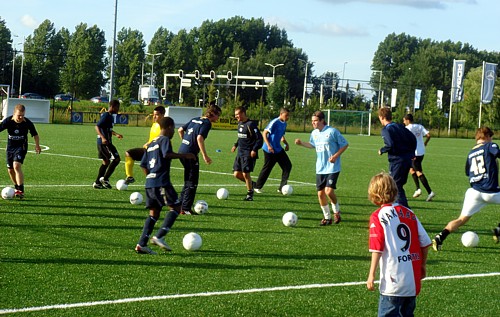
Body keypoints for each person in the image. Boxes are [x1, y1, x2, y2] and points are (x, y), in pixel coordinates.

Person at [366, 172, 431, 317]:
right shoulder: (409, 213)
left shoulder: (378, 216)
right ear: (395, 191)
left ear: (374, 194)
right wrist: (422, 265)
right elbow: (425, 243)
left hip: (393, 280)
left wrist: (371, 275)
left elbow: (376, 248)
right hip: (412, 281)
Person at [135, 117, 196, 254]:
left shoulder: (150, 143)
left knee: (154, 214)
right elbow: (167, 154)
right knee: (176, 207)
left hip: (150, 183)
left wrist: (151, 176)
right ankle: (160, 236)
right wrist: (186, 155)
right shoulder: (165, 140)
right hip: (161, 181)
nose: (173, 131)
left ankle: (141, 244)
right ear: (168, 127)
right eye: (173, 128)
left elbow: (143, 165)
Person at [433, 127, 500, 251]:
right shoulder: (490, 146)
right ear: (486, 136)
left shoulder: (471, 153)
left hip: (474, 193)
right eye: (491, 137)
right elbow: (497, 153)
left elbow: (467, 172)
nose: (492, 139)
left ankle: (440, 237)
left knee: (461, 219)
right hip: (491, 191)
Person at [294, 110, 348, 225]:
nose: (313, 123)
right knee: (320, 194)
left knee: (328, 191)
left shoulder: (332, 131)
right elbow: (312, 144)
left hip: (333, 167)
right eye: (312, 121)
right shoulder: (314, 133)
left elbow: (345, 144)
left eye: (315, 121)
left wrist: (335, 156)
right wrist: (301, 143)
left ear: (322, 120)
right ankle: (327, 217)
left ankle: (336, 211)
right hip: (320, 168)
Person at [178, 103, 221, 214]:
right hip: (191, 154)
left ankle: (179, 206)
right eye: (218, 116)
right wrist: (204, 155)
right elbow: (199, 138)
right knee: (192, 182)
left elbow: (180, 130)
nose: (218, 118)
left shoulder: (195, 119)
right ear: (213, 114)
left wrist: (185, 142)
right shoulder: (207, 123)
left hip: (182, 151)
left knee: (188, 180)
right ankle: (186, 209)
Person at [0, 104, 41, 198]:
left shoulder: (27, 122)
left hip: (21, 147)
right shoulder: (8, 121)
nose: (21, 117)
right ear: (14, 114)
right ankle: (16, 187)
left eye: (22, 115)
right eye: (19, 115)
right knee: (10, 170)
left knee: (16, 166)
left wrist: (37, 145)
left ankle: (21, 190)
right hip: (10, 148)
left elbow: (35, 134)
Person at [378, 107, 416, 208]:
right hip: (407, 160)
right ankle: (398, 209)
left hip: (397, 161)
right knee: (397, 186)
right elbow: (413, 139)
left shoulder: (386, 129)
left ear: (382, 117)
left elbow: (390, 144)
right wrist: (411, 153)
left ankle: (405, 211)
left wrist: (382, 150)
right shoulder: (399, 126)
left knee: (395, 186)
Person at [254, 107, 292, 194]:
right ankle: (257, 187)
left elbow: (281, 135)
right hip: (269, 150)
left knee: (287, 166)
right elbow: (264, 133)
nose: (287, 117)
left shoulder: (284, 123)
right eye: (286, 115)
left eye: (288, 116)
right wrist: (269, 145)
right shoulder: (275, 122)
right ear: (281, 114)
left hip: (278, 149)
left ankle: (282, 188)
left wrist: (286, 144)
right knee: (267, 168)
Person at [123, 106, 165, 184]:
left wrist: (149, 143)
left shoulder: (164, 127)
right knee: (129, 153)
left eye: (157, 115)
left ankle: (154, 183)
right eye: (153, 114)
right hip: (148, 149)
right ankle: (130, 176)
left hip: (157, 152)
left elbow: (162, 139)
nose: (154, 116)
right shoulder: (154, 124)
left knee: (146, 166)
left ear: (162, 115)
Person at [231, 106, 263, 201]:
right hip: (240, 153)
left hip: (248, 154)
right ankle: (252, 184)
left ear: (243, 113)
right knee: (236, 174)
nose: (236, 116)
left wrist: (254, 150)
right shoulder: (240, 123)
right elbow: (241, 137)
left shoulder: (251, 125)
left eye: (237, 114)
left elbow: (259, 139)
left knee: (245, 174)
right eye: (235, 114)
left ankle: (250, 195)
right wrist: (235, 145)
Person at [403, 114, 435, 202]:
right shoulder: (420, 126)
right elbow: (428, 135)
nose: (403, 122)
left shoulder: (407, 128)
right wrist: (425, 143)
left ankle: (430, 192)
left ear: (408, 120)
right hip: (421, 152)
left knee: (419, 172)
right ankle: (418, 189)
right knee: (411, 170)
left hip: (414, 153)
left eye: (404, 120)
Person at [93, 99, 123, 189]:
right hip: (104, 143)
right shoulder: (106, 115)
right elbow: (97, 126)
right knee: (115, 160)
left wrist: (116, 134)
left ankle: (98, 182)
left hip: (108, 142)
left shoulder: (110, 116)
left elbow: (108, 129)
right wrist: (102, 138)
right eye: (117, 107)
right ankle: (104, 180)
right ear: (113, 107)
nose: (118, 109)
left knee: (108, 161)